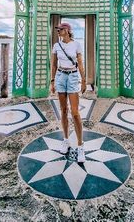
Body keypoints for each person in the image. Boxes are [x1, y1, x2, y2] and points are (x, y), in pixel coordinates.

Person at [51, 22, 86, 163]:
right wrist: (52, 81)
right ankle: (65, 140)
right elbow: (53, 64)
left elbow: (80, 63)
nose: (58, 31)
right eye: (58, 29)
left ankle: (80, 145)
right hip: (60, 76)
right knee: (64, 110)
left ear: (67, 30)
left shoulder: (76, 44)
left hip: (72, 76)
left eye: (60, 29)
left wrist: (83, 80)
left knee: (75, 112)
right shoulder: (56, 46)